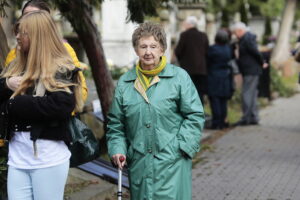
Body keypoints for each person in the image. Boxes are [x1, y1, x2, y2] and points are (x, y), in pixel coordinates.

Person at [106, 22, 205, 200]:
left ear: (162, 49)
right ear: (136, 50)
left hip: (173, 163)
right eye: (143, 46)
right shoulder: (125, 83)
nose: (148, 52)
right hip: (140, 164)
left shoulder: (179, 78)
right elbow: (116, 123)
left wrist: (181, 148)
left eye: (153, 46)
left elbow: (194, 115)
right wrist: (118, 149)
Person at [0, 11, 83, 199]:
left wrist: (14, 103)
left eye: (23, 33)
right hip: (17, 160)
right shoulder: (15, 66)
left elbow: (60, 106)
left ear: (37, 35)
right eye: (17, 32)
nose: (18, 37)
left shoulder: (62, 68)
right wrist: (7, 85)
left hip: (48, 161)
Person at [4, 0, 88, 102]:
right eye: (25, 15)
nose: (29, 20)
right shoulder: (15, 53)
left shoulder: (63, 51)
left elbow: (76, 93)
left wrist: (62, 112)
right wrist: (7, 84)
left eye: (35, 15)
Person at [232, 22, 267, 126]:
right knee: (252, 94)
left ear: (240, 31)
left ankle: (246, 118)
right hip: (251, 70)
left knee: (247, 94)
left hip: (251, 70)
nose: (235, 35)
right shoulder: (246, 38)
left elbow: (255, 52)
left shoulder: (246, 39)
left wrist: (262, 62)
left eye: (235, 32)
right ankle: (253, 117)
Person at [175, 16, 209, 103]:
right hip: (201, 69)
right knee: (200, 92)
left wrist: (181, 61)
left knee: (188, 92)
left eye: (185, 24)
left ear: (189, 24)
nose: (184, 25)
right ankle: (200, 112)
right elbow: (207, 51)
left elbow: (178, 51)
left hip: (187, 69)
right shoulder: (203, 35)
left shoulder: (184, 35)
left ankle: (190, 112)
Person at [207, 30, 234, 129]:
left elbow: (208, 61)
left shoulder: (212, 49)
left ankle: (216, 123)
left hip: (214, 75)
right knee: (223, 100)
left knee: (215, 99)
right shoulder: (228, 49)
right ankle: (222, 122)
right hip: (226, 76)